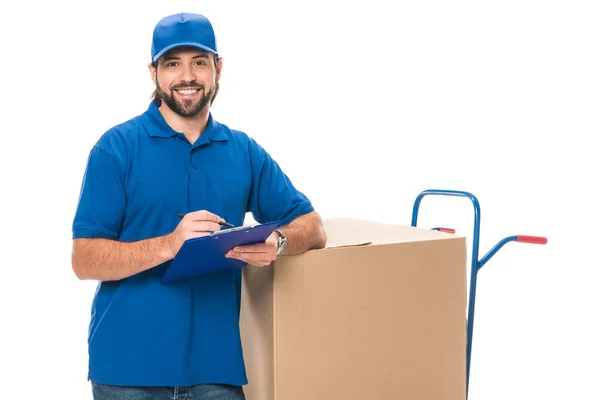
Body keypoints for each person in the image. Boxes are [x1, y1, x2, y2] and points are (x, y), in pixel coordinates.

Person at [71, 12, 327, 400]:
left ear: (218, 69)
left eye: (199, 63)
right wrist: (169, 244)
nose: (186, 76)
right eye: (173, 63)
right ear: (153, 72)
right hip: (127, 371)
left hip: (216, 372)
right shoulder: (116, 148)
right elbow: (84, 259)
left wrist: (277, 242)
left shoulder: (243, 151)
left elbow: (312, 226)